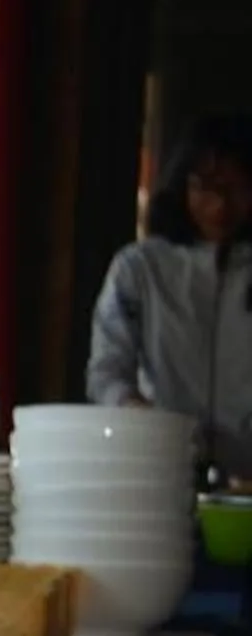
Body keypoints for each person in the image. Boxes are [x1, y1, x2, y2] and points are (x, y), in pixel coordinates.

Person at [88, 114, 252, 476]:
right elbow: (106, 372)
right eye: (207, 187)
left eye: (237, 189)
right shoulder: (141, 269)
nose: (220, 205)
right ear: (182, 185)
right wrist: (139, 416)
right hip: (160, 474)